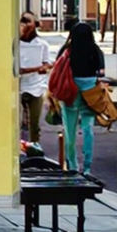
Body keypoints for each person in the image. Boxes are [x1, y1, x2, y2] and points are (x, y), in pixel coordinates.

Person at [59, 22, 105, 175]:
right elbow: (101, 72)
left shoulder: (67, 50)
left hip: (70, 91)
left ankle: (72, 165)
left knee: (69, 129)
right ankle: (87, 167)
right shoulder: (95, 49)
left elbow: (57, 68)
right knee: (88, 128)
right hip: (90, 93)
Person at [19, 12, 51, 143]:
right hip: (18, 87)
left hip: (36, 87)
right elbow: (18, 69)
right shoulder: (15, 44)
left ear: (35, 24)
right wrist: (38, 68)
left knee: (35, 125)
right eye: (22, 21)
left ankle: (34, 148)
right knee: (17, 123)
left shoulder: (42, 45)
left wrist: (44, 68)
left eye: (27, 21)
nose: (24, 24)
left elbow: (46, 63)